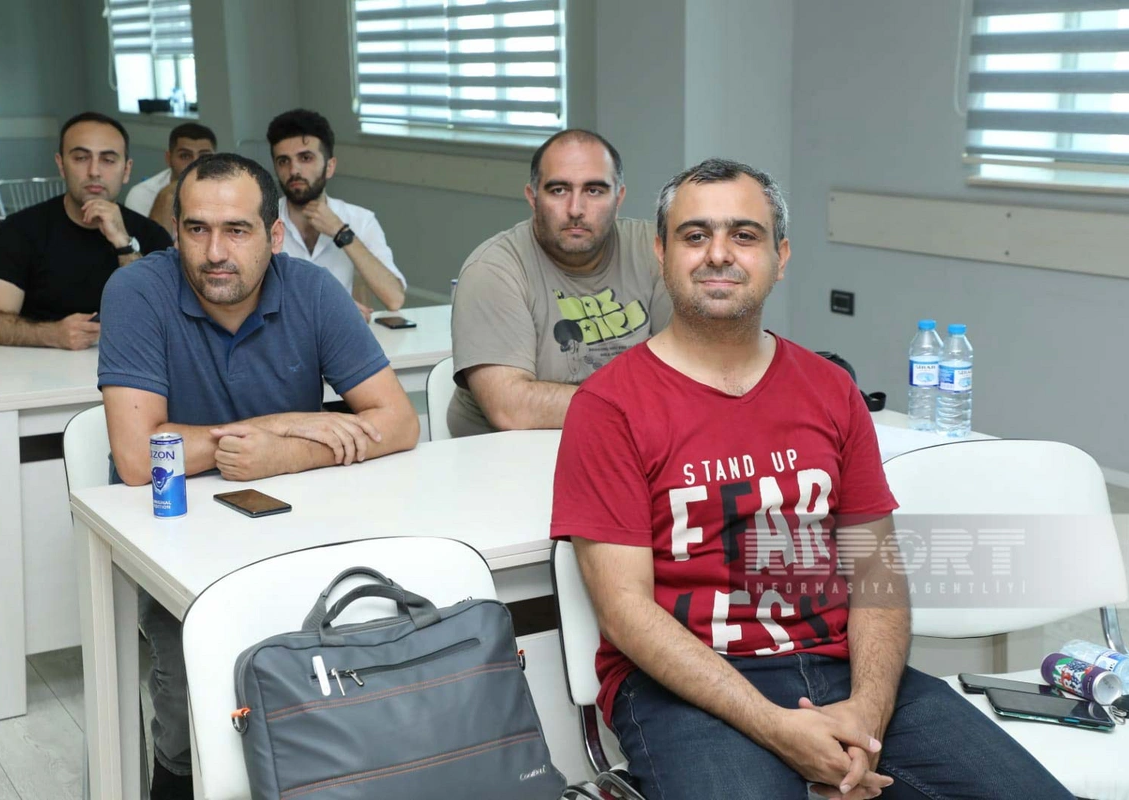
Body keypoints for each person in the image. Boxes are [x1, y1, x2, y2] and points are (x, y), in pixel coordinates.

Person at [549, 158, 1073, 800]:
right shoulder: (609, 406)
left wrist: (867, 714)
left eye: (745, 235)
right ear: (661, 252)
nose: (719, 253)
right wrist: (776, 728)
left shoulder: (829, 390)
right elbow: (625, 610)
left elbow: (875, 569)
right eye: (695, 235)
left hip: (840, 669)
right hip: (686, 687)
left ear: (781, 256)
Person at [99, 152, 420, 799]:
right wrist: (282, 426)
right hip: (172, 533)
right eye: (196, 229)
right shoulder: (136, 291)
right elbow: (137, 456)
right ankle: (176, 781)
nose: (215, 252)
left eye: (237, 230)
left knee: (367, 645)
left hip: (293, 521)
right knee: (190, 684)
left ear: (273, 236)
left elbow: (399, 422)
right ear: (176, 231)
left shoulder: (312, 290)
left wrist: (288, 454)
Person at [447, 129, 671, 438]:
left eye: (594, 190)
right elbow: (511, 409)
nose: (576, 209)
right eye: (558, 190)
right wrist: (640, 403)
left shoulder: (656, 252)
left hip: (626, 442)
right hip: (508, 454)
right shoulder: (492, 270)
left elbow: (695, 370)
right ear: (533, 197)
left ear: (618, 198)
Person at [0, 112, 172, 348]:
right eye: (80, 158)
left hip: (130, 362)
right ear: (61, 165)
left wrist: (123, 244)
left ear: (126, 170)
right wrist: (52, 334)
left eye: (108, 160)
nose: (94, 171)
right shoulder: (19, 230)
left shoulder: (152, 235)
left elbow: (166, 319)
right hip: (37, 365)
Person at [267, 109, 406, 320]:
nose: (294, 170)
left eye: (305, 158)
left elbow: (394, 298)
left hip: (338, 338)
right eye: (283, 161)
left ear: (330, 167)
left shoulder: (360, 219)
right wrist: (333, 306)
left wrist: (341, 232)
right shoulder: (262, 220)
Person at [124, 122, 217, 234]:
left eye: (205, 157)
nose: (195, 164)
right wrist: (165, 198)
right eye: (185, 156)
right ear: (169, 158)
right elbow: (146, 245)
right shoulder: (142, 194)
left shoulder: (227, 190)